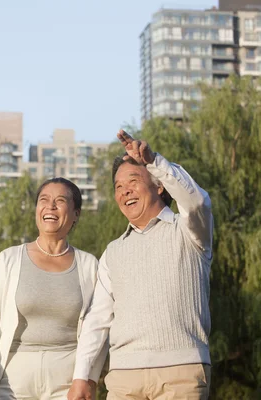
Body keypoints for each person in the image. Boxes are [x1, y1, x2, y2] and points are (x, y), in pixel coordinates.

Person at [68, 130, 213, 400]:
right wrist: (82, 376)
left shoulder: (190, 231)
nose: (125, 192)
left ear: (159, 186)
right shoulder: (113, 251)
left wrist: (155, 162)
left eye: (133, 181)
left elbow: (197, 202)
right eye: (118, 187)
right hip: (124, 377)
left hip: (180, 373)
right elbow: (98, 318)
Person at [0, 177, 107, 400]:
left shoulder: (89, 265)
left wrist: (89, 380)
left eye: (60, 200)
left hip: (67, 380)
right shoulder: (9, 259)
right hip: (12, 378)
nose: (50, 206)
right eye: (44, 200)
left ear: (76, 214)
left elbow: (99, 328)